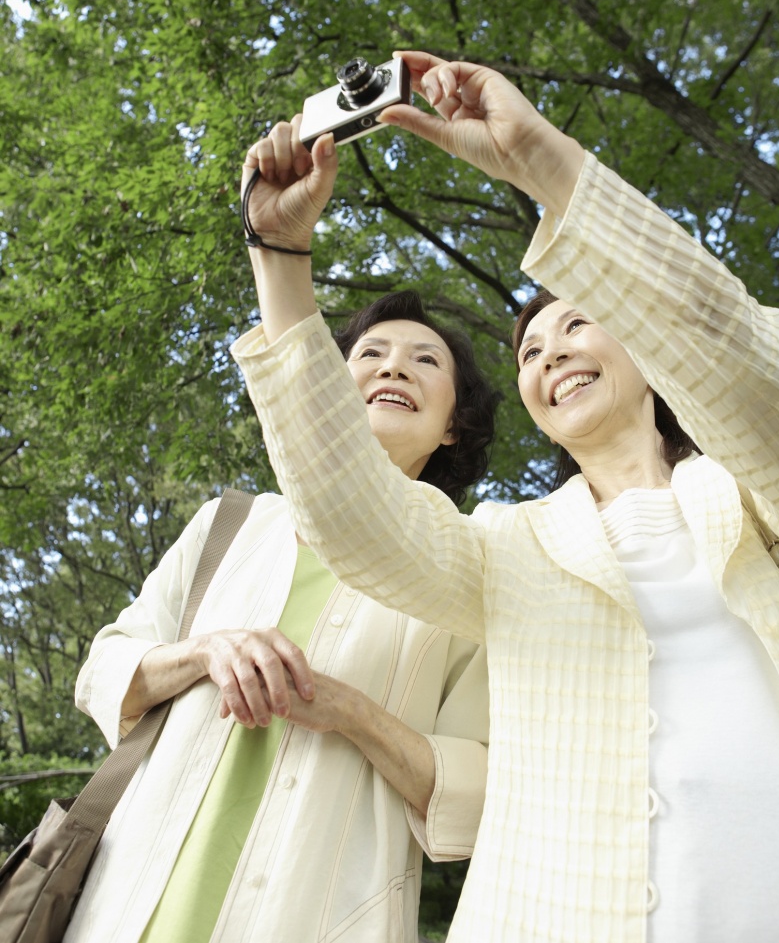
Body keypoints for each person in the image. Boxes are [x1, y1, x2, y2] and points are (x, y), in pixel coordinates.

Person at [231, 51, 779, 943]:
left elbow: (739, 362)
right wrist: (280, 261)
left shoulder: (766, 494)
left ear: (648, 356)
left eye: (578, 321)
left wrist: (541, 162)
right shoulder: (507, 545)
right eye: (529, 351)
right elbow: (352, 514)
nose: (550, 352)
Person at [65, 288, 494, 943]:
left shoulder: (473, 575)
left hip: (321, 914)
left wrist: (351, 711)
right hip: (125, 904)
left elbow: (474, 789)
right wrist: (204, 650)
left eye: (425, 360)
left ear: (453, 425)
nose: (393, 366)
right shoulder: (228, 523)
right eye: (369, 353)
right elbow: (104, 669)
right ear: (329, 390)